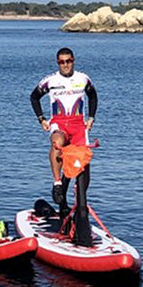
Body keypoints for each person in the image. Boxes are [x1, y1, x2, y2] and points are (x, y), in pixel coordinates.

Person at [30, 47, 98, 213]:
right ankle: (57, 184)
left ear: (73, 61)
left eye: (68, 61)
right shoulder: (50, 80)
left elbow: (93, 96)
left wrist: (91, 118)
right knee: (57, 143)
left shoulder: (83, 79)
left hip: (78, 124)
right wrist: (41, 119)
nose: (65, 65)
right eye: (62, 62)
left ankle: (77, 200)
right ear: (57, 63)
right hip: (59, 123)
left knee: (82, 164)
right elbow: (34, 97)